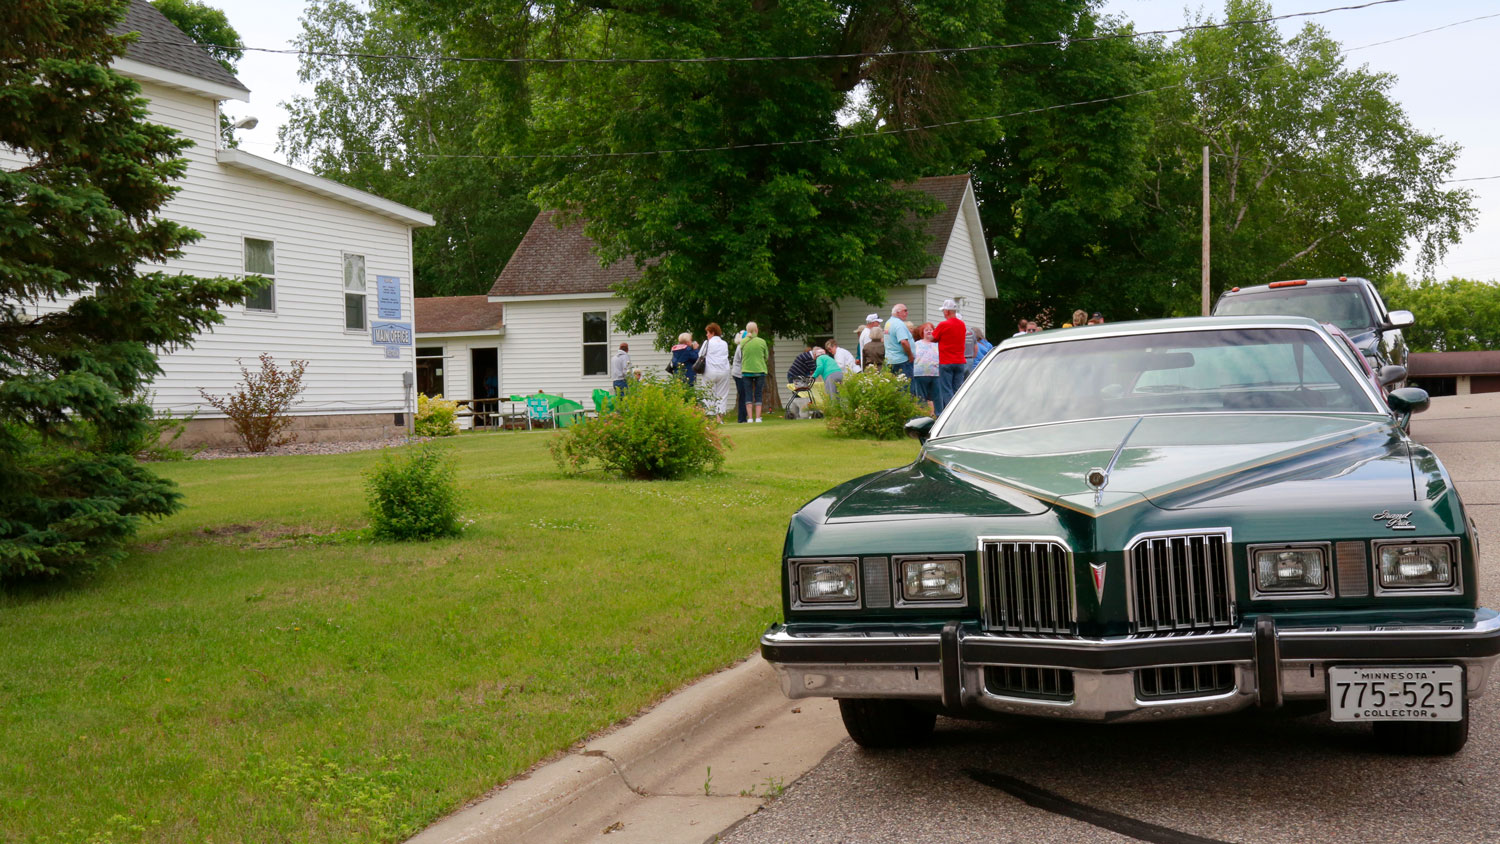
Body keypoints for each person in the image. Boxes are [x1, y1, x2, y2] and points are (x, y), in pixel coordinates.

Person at [932, 299, 967, 415]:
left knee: (946, 389)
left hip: (946, 361)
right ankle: (960, 412)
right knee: (957, 389)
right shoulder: (962, 324)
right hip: (960, 361)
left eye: (943, 311)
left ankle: (950, 414)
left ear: (947, 312)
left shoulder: (943, 324)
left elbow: (933, 338)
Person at [700, 323, 731, 422]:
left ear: (712, 332)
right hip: (723, 371)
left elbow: (700, 354)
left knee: (708, 393)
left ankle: (709, 418)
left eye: (708, 332)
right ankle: (719, 419)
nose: (706, 335)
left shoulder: (707, 343)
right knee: (722, 395)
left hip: (710, 371)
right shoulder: (724, 343)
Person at [739, 322, 769, 423]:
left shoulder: (743, 342)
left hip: (746, 370)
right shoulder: (762, 341)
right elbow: (766, 356)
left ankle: (750, 418)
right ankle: (758, 418)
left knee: (748, 394)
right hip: (760, 370)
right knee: (758, 393)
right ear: (756, 330)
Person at [910, 323, 939, 413]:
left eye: (931, 329)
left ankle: (938, 414)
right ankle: (922, 414)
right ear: (922, 332)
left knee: (937, 396)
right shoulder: (916, 344)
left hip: (935, 373)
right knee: (921, 397)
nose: (929, 331)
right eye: (926, 330)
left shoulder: (937, 345)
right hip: (920, 373)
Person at [883, 303, 915, 385]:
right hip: (902, 361)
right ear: (897, 312)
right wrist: (910, 355)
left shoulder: (888, 323)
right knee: (906, 388)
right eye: (905, 311)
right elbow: (904, 342)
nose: (907, 313)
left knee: (894, 387)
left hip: (890, 360)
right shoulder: (899, 324)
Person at [731, 330, 748, 423]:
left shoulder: (740, 346)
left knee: (743, 395)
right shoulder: (741, 347)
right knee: (743, 395)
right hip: (739, 374)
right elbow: (744, 359)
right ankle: (742, 418)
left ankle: (743, 417)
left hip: (738, 373)